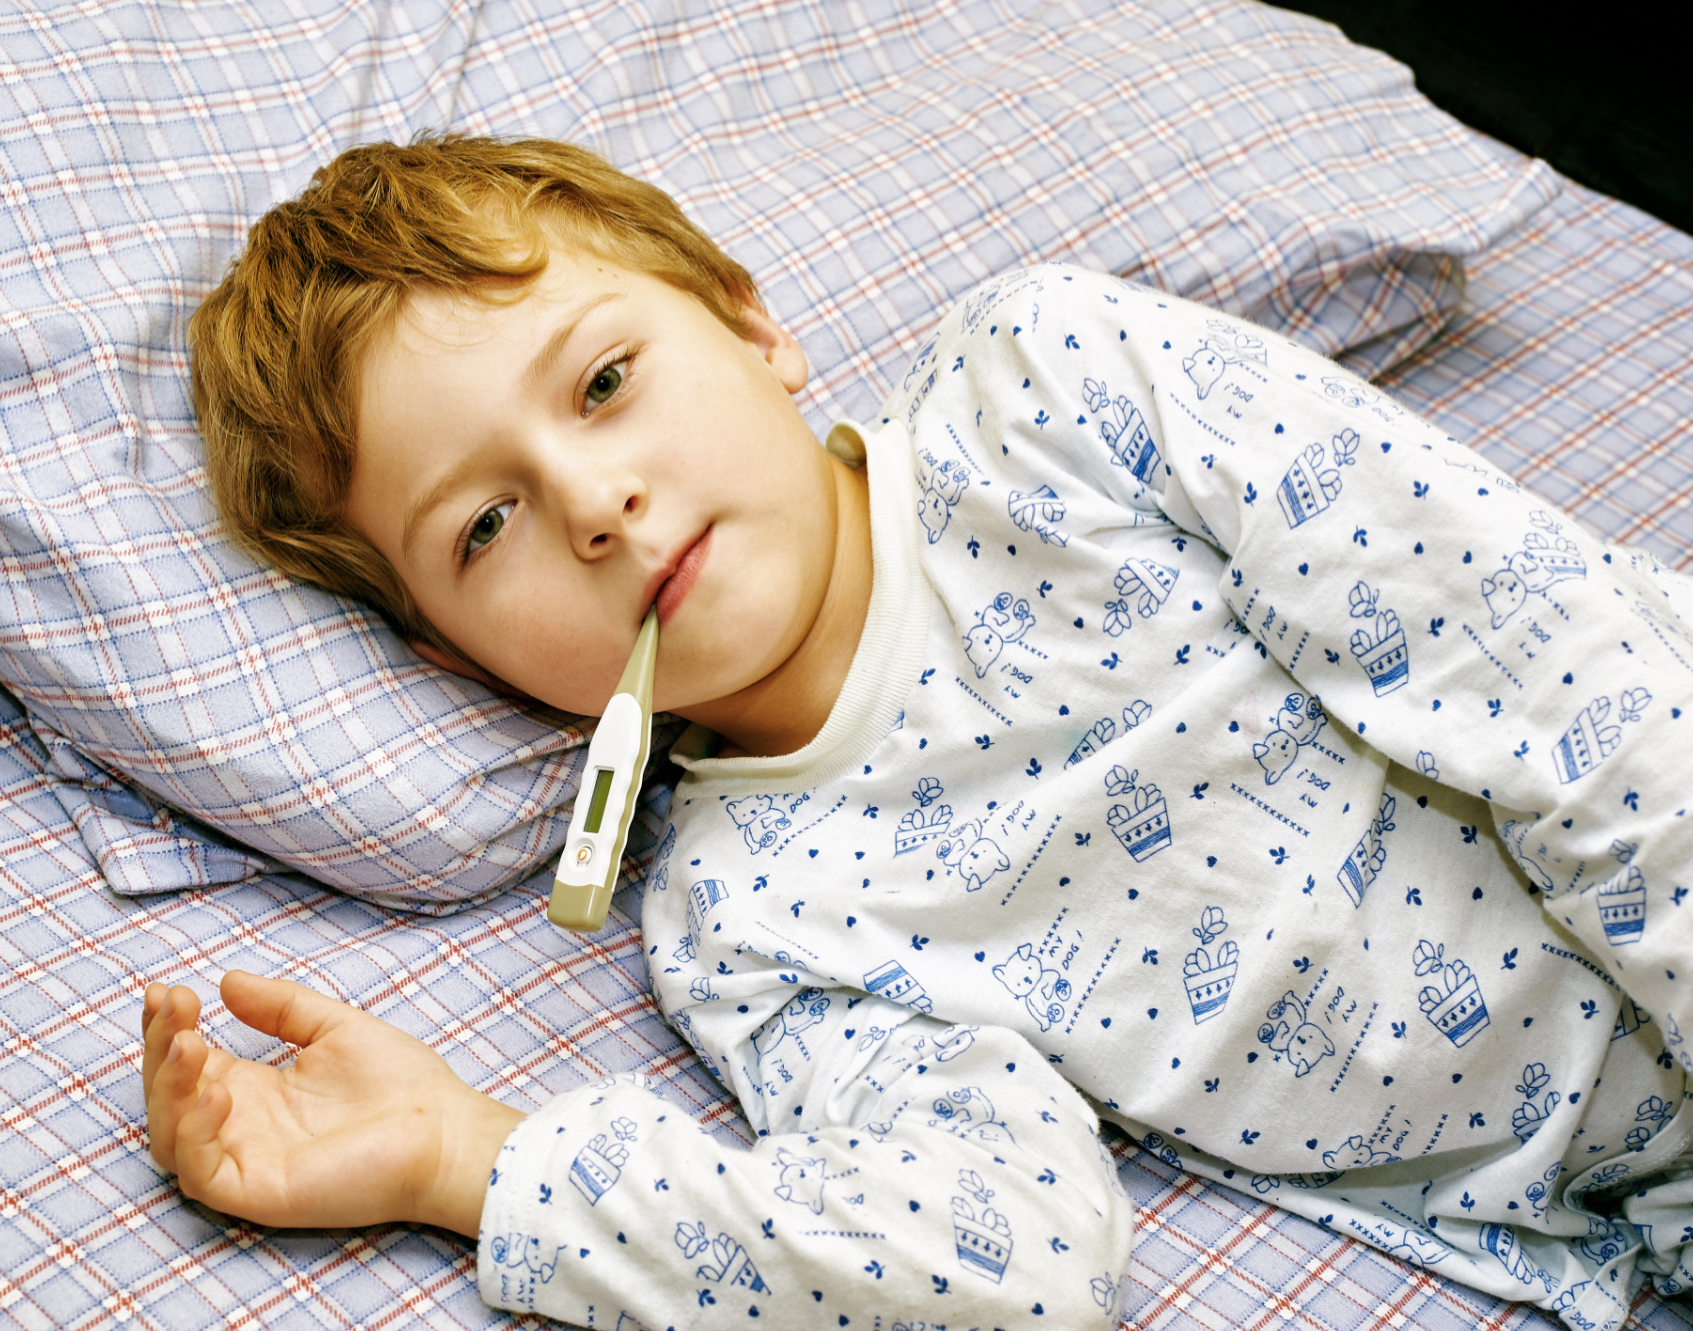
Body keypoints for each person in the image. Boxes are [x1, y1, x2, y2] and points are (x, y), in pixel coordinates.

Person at [145, 133, 1691, 1331]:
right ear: (452, 654)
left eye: (608, 381)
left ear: (752, 325)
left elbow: (1577, 691)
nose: (595, 506)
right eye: (485, 527)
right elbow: (1009, 1273)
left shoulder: (1055, 386)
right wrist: (466, 1161)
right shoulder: (749, 923)